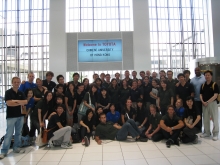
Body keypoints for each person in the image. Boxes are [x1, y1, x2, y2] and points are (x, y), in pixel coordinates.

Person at [0, 77, 27, 159]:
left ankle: (16, 148)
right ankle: (4, 151)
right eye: (15, 82)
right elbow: (9, 103)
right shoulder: (8, 92)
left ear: (19, 83)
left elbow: (25, 102)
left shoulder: (21, 92)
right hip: (11, 117)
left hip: (20, 116)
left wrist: (15, 101)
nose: (16, 83)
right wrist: (19, 102)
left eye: (18, 82)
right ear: (12, 83)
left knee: (18, 133)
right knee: (9, 134)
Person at [200, 70, 219, 141]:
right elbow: (200, 94)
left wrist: (207, 102)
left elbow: (215, 95)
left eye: (208, 75)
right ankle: (207, 132)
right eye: (206, 75)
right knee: (205, 118)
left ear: (211, 76)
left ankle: (215, 133)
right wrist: (202, 101)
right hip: (204, 103)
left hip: (212, 103)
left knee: (214, 118)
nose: (207, 76)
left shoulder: (214, 84)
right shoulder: (203, 85)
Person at [190, 67, 205, 131]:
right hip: (196, 100)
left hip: (204, 100)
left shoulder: (204, 78)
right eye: (195, 70)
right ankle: (199, 128)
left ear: (200, 70)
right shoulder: (192, 80)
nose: (197, 71)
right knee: (198, 115)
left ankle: (207, 130)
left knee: (205, 115)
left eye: (198, 70)